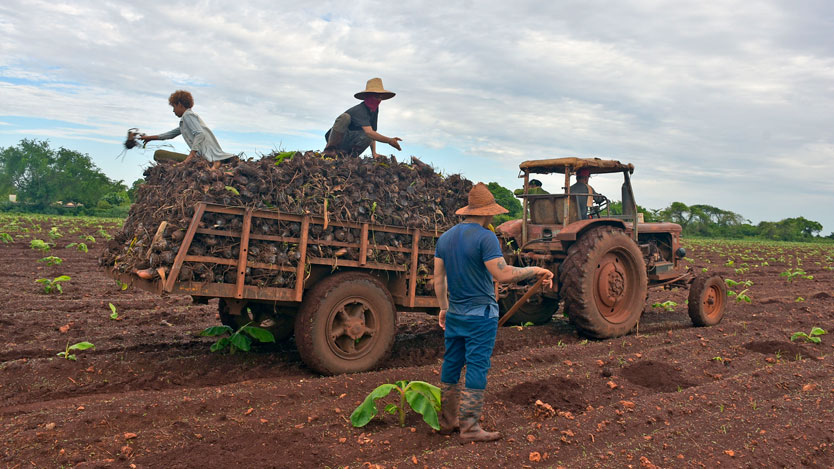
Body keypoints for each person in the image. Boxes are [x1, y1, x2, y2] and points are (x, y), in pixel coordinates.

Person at [433, 183, 553, 442]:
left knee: (452, 363)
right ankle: (470, 428)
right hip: (481, 316)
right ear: (488, 213)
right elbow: (502, 273)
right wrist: (535, 270)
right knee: (477, 365)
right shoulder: (486, 237)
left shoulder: (445, 238)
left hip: (455, 313)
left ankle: (447, 422)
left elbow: (438, 280)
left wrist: (444, 307)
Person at [140, 90, 235, 169]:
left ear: (180, 104)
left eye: (174, 107)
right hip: (204, 155)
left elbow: (199, 134)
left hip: (209, 154)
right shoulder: (185, 121)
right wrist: (150, 138)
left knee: (160, 154)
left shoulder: (187, 115)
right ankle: (214, 162)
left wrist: (189, 157)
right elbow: (170, 134)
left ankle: (215, 163)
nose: (173, 110)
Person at [323, 78, 402, 158]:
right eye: (376, 97)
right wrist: (389, 140)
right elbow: (369, 132)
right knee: (345, 117)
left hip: (352, 141)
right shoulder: (360, 110)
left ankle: (350, 156)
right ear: (367, 96)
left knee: (369, 135)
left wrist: (374, 153)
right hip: (340, 138)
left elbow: (373, 132)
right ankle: (330, 150)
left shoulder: (374, 110)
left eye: (380, 97)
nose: (378, 100)